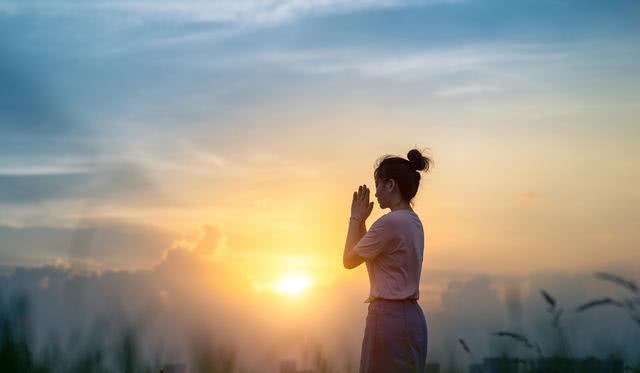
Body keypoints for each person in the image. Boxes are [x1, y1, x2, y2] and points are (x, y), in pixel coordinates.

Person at [343, 148, 432, 373]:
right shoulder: (413, 221)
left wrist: (355, 218)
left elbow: (349, 260)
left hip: (387, 318)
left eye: (378, 184)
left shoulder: (389, 223)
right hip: (412, 318)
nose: (376, 192)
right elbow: (367, 253)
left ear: (390, 185)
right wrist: (363, 222)